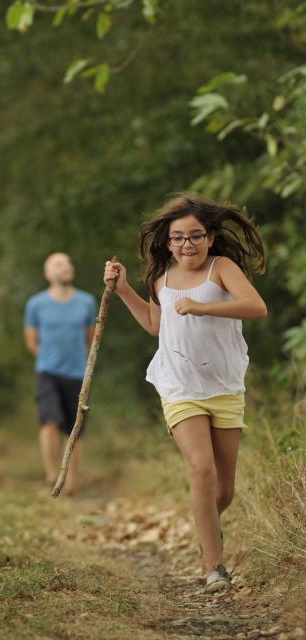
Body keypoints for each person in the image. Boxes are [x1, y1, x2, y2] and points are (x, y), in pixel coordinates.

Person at [104, 193, 266, 592]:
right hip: (179, 384)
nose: (186, 245)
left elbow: (256, 307)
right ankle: (215, 567)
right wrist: (125, 289)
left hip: (224, 384)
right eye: (178, 238)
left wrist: (204, 308)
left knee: (223, 490)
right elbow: (157, 326)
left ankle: (204, 526)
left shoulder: (221, 267)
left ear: (210, 238)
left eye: (195, 236)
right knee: (202, 470)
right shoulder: (161, 277)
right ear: (167, 242)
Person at [24, 253, 97, 496]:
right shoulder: (36, 304)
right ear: (48, 274)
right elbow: (31, 341)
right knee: (49, 421)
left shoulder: (86, 302)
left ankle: (72, 482)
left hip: (78, 374)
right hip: (48, 372)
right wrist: (47, 359)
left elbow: (91, 337)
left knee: (74, 428)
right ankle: (51, 475)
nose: (65, 267)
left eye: (68, 263)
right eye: (58, 264)